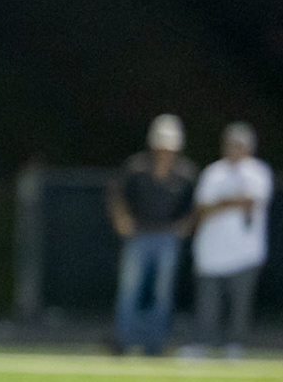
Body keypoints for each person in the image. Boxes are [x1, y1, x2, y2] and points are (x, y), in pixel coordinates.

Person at [106, 113, 198, 356]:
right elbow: (117, 194)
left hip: (167, 237)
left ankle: (154, 344)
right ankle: (124, 340)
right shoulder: (136, 167)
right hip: (139, 234)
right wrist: (121, 219)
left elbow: (194, 206)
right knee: (130, 289)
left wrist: (186, 226)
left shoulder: (185, 173)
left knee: (162, 293)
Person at [189, 122, 272, 358]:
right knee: (208, 303)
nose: (234, 149)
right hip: (212, 250)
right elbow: (202, 207)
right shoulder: (214, 172)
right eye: (231, 145)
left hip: (244, 252)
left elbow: (251, 200)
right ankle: (203, 343)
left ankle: (235, 345)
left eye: (239, 145)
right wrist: (228, 202)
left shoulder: (257, 172)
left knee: (239, 304)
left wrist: (221, 203)